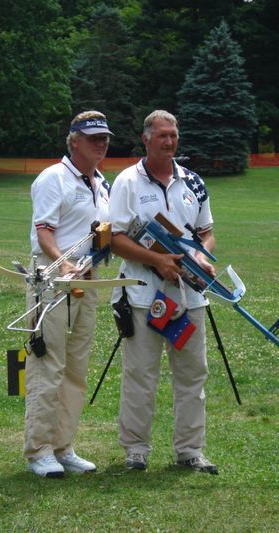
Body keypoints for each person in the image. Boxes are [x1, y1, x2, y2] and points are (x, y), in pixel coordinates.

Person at [109, 109, 218, 474]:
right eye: (162, 136)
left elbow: (206, 232)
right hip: (143, 295)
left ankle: (190, 451)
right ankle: (136, 451)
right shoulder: (127, 181)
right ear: (146, 139)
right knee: (141, 374)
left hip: (189, 294)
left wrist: (201, 258)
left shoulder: (193, 182)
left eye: (173, 135)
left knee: (192, 375)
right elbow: (115, 239)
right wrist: (156, 261)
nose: (169, 141)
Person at [24, 111, 112, 477]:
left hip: (87, 279)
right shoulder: (54, 177)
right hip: (52, 278)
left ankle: (63, 446)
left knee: (76, 367)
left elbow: (104, 233)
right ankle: (39, 450)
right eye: (93, 138)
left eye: (105, 138)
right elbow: (44, 231)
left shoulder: (102, 183)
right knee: (48, 363)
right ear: (74, 140)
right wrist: (63, 264)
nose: (101, 143)